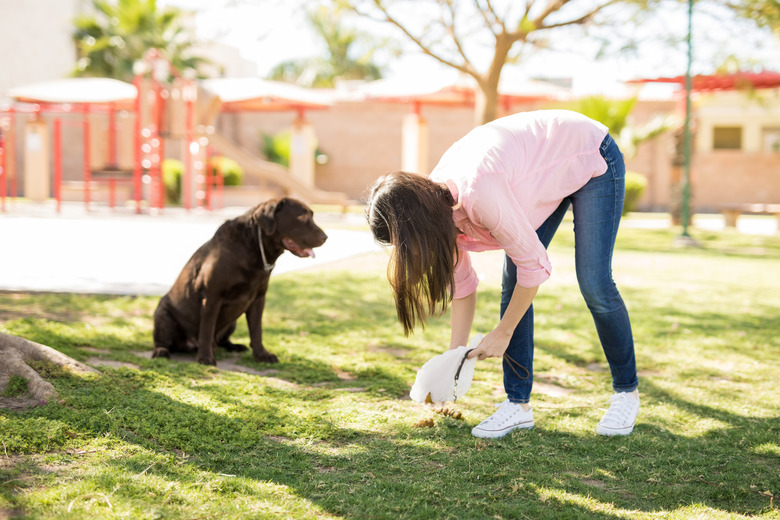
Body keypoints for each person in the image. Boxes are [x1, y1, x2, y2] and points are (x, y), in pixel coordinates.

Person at [366, 109, 639, 439]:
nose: (412, 253)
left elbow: (533, 266)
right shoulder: (434, 210)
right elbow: (463, 287)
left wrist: (503, 332)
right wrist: (453, 362)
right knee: (513, 280)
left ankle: (626, 392)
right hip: (536, 172)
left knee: (593, 280)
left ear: (419, 226)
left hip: (589, 152)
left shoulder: (479, 193)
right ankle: (518, 405)